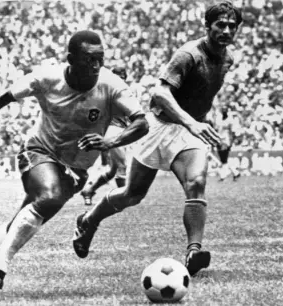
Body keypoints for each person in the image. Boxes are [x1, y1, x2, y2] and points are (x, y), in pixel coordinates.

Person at [0, 30, 149, 293]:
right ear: (71, 59)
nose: (97, 65)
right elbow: (5, 96)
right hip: (39, 151)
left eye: (101, 58)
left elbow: (141, 122)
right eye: (89, 59)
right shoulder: (46, 78)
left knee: (25, 218)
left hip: (77, 169)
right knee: (50, 195)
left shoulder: (111, 86)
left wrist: (110, 142)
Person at [72, 2, 243, 277]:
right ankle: (89, 221)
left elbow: (202, 93)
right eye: (220, 25)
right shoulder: (188, 54)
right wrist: (191, 121)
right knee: (132, 194)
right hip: (160, 126)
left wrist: (201, 123)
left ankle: (194, 252)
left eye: (231, 26)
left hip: (190, 132)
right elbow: (160, 93)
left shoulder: (228, 59)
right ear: (207, 26)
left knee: (196, 183)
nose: (226, 30)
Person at [80, 65, 130, 205]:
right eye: (118, 77)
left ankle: (89, 189)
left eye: (123, 78)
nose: (121, 80)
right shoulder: (106, 91)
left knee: (113, 169)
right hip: (112, 130)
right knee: (121, 166)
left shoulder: (124, 92)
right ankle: (124, 198)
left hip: (121, 129)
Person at [214, 107, 241, 181]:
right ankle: (236, 173)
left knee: (224, 159)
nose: (224, 112)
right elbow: (216, 129)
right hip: (219, 140)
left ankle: (223, 176)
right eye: (223, 111)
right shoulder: (218, 119)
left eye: (225, 111)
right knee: (223, 159)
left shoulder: (230, 120)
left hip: (226, 140)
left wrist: (231, 142)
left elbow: (232, 132)